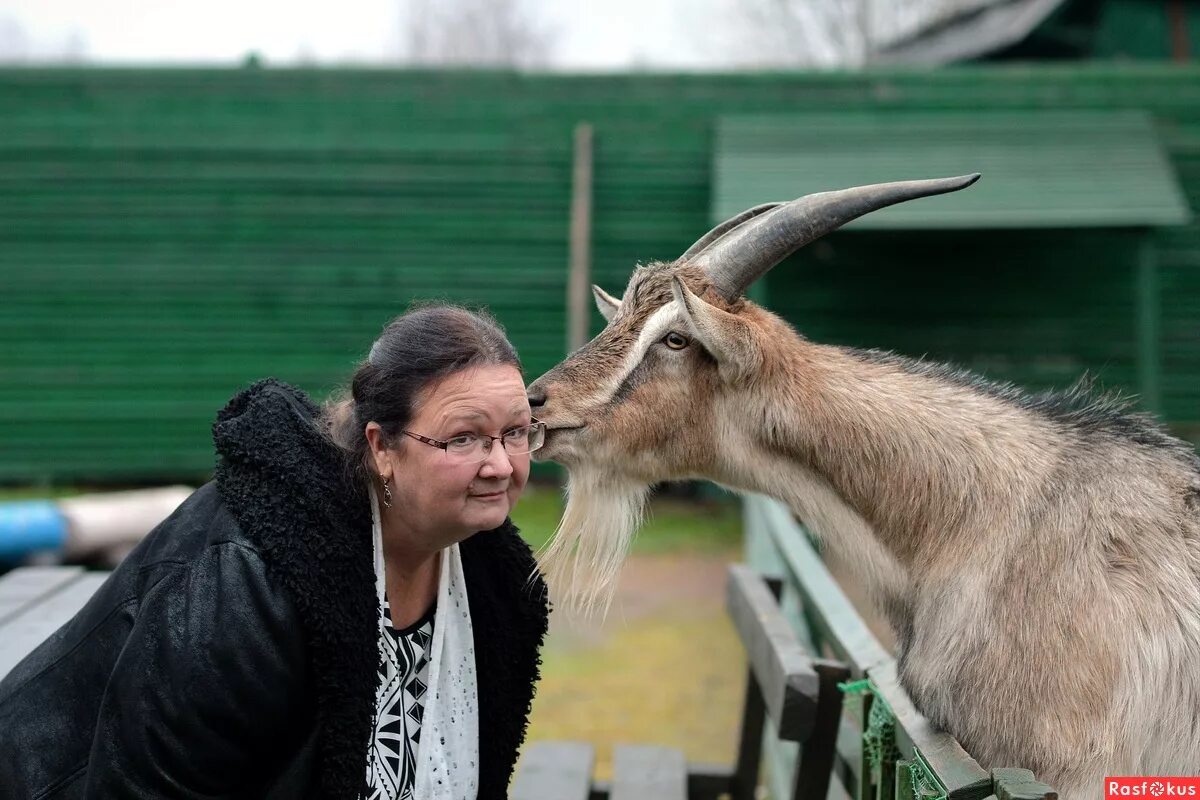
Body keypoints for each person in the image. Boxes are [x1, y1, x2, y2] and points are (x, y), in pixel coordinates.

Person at [0, 305, 550, 800]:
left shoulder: (492, 580)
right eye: (463, 438)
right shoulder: (245, 578)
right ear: (382, 448)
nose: (500, 464)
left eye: (516, 433)